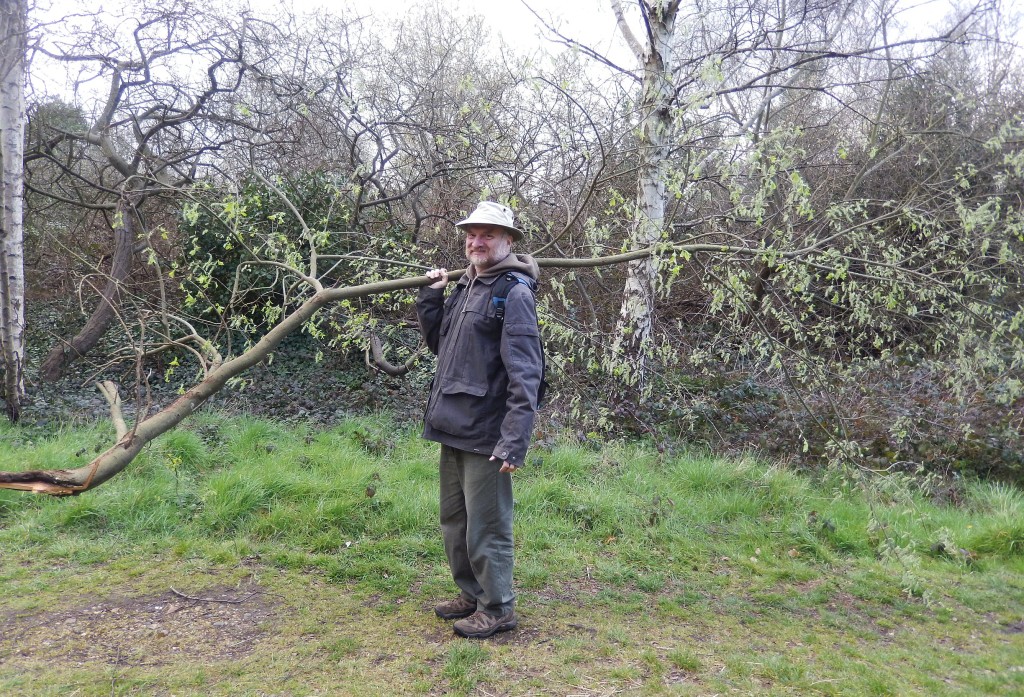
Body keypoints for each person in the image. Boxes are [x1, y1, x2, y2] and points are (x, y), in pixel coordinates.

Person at [416, 201, 544, 639]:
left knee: (486, 527)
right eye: (472, 234)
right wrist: (431, 298)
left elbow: (526, 373)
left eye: (488, 234)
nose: (477, 241)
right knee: (455, 521)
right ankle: (471, 594)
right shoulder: (468, 286)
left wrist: (513, 439)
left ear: (509, 240)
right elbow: (442, 344)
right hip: (453, 423)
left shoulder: (514, 292)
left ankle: (498, 607)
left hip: (487, 432)